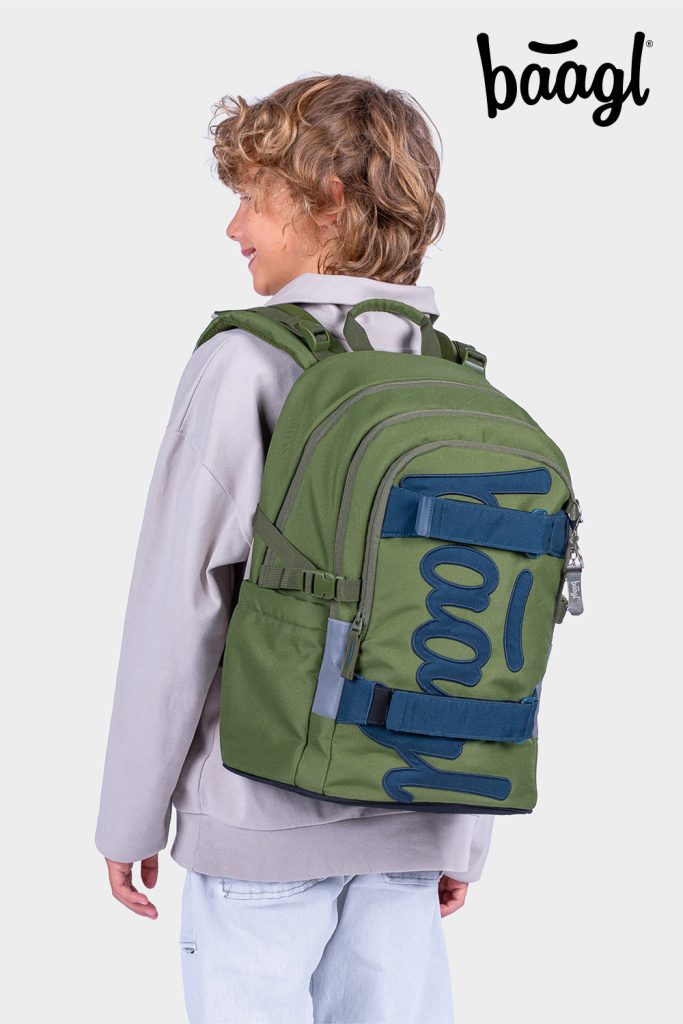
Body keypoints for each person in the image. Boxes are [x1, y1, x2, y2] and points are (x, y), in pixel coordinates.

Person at [95, 73, 495, 1024]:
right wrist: (461, 832)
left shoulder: (243, 363)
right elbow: (476, 621)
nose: (233, 228)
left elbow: (176, 605)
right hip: (413, 817)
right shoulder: (452, 377)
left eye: (250, 200)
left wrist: (128, 816)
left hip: (258, 825)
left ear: (327, 201)